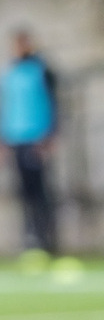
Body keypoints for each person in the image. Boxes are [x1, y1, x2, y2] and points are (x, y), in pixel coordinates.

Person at [0, 30, 59, 254]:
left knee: (40, 191)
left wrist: (50, 137)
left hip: (37, 138)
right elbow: (7, 107)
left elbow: (53, 104)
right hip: (16, 138)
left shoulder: (42, 70)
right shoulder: (10, 72)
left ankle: (47, 241)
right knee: (23, 192)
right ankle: (31, 239)